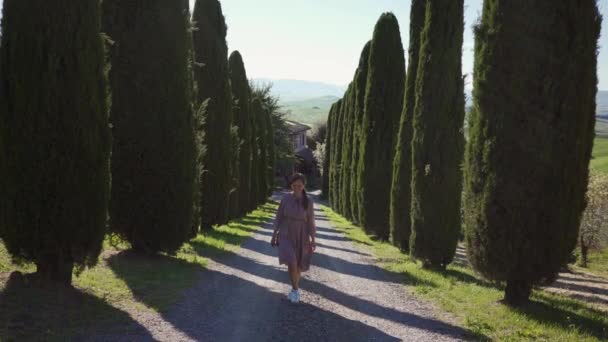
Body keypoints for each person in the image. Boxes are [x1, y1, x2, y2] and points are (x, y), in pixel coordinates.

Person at [270, 173, 316, 303]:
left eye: (299, 185)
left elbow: (311, 222)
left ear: (303, 186)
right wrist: (274, 235)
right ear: (291, 185)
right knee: (292, 261)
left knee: (299, 264)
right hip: (286, 233)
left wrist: (313, 239)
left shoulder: (309, 201)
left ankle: (294, 289)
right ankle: (295, 290)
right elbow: (279, 217)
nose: (297, 187)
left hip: (302, 234)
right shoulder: (285, 199)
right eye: (295, 185)